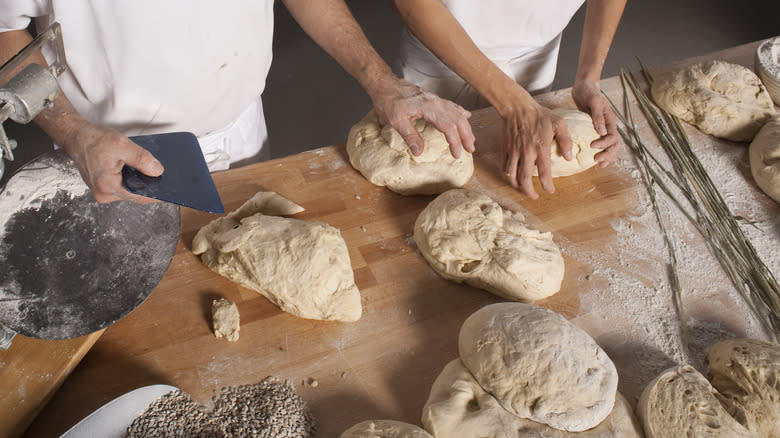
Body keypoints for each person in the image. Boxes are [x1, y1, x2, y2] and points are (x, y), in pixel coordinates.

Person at [0, 0, 475, 204]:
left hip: (241, 133)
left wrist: (382, 81)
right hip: (110, 159)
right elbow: (5, 32)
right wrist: (74, 134)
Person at [393, 0, 626, 199]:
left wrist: (589, 76)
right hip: (442, 54)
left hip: (532, 61)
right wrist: (515, 103)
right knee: (421, 175)